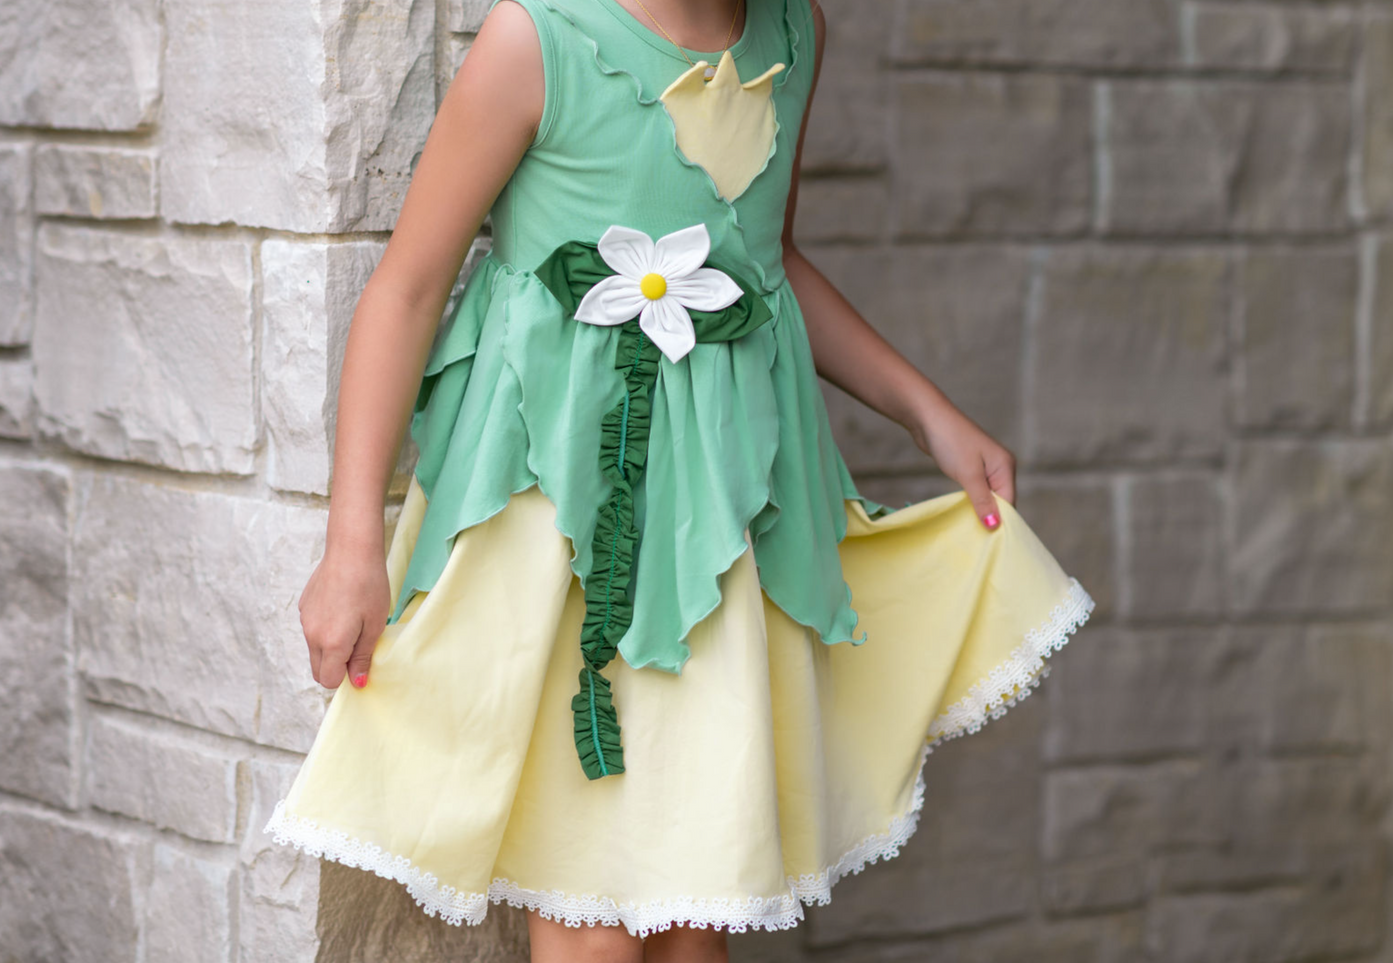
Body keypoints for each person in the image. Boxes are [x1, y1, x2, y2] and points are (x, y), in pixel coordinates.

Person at [264, 0, 1095, 959]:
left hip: (719, 527)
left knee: (694, 908)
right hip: (563, 528)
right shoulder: (537, 41)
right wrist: (351, 546)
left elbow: (765, 263)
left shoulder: (793, 34)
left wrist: (927, 412)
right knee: (591, 922)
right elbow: (407, 288)